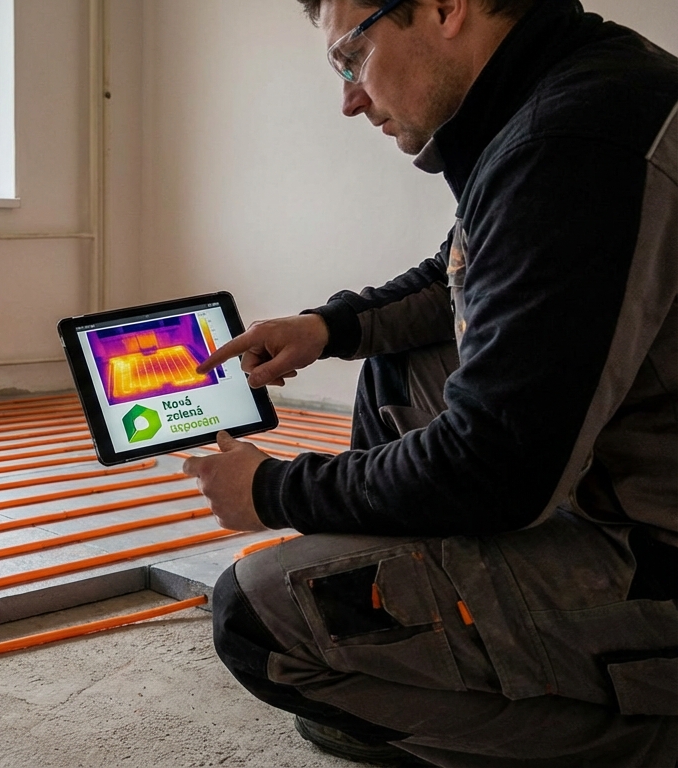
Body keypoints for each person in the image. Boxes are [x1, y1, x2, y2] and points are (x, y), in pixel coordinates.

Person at [181, 0, 678, 764]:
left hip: (656, 547)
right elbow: (460, 274)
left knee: (258, 616)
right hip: (642, 464)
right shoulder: (563, 90)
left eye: (350, 59)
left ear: (445, 8)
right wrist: (329, 328)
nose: (349, 98)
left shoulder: (575, 139)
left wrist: (273, 490)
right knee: (399, 361)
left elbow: (498, 466)